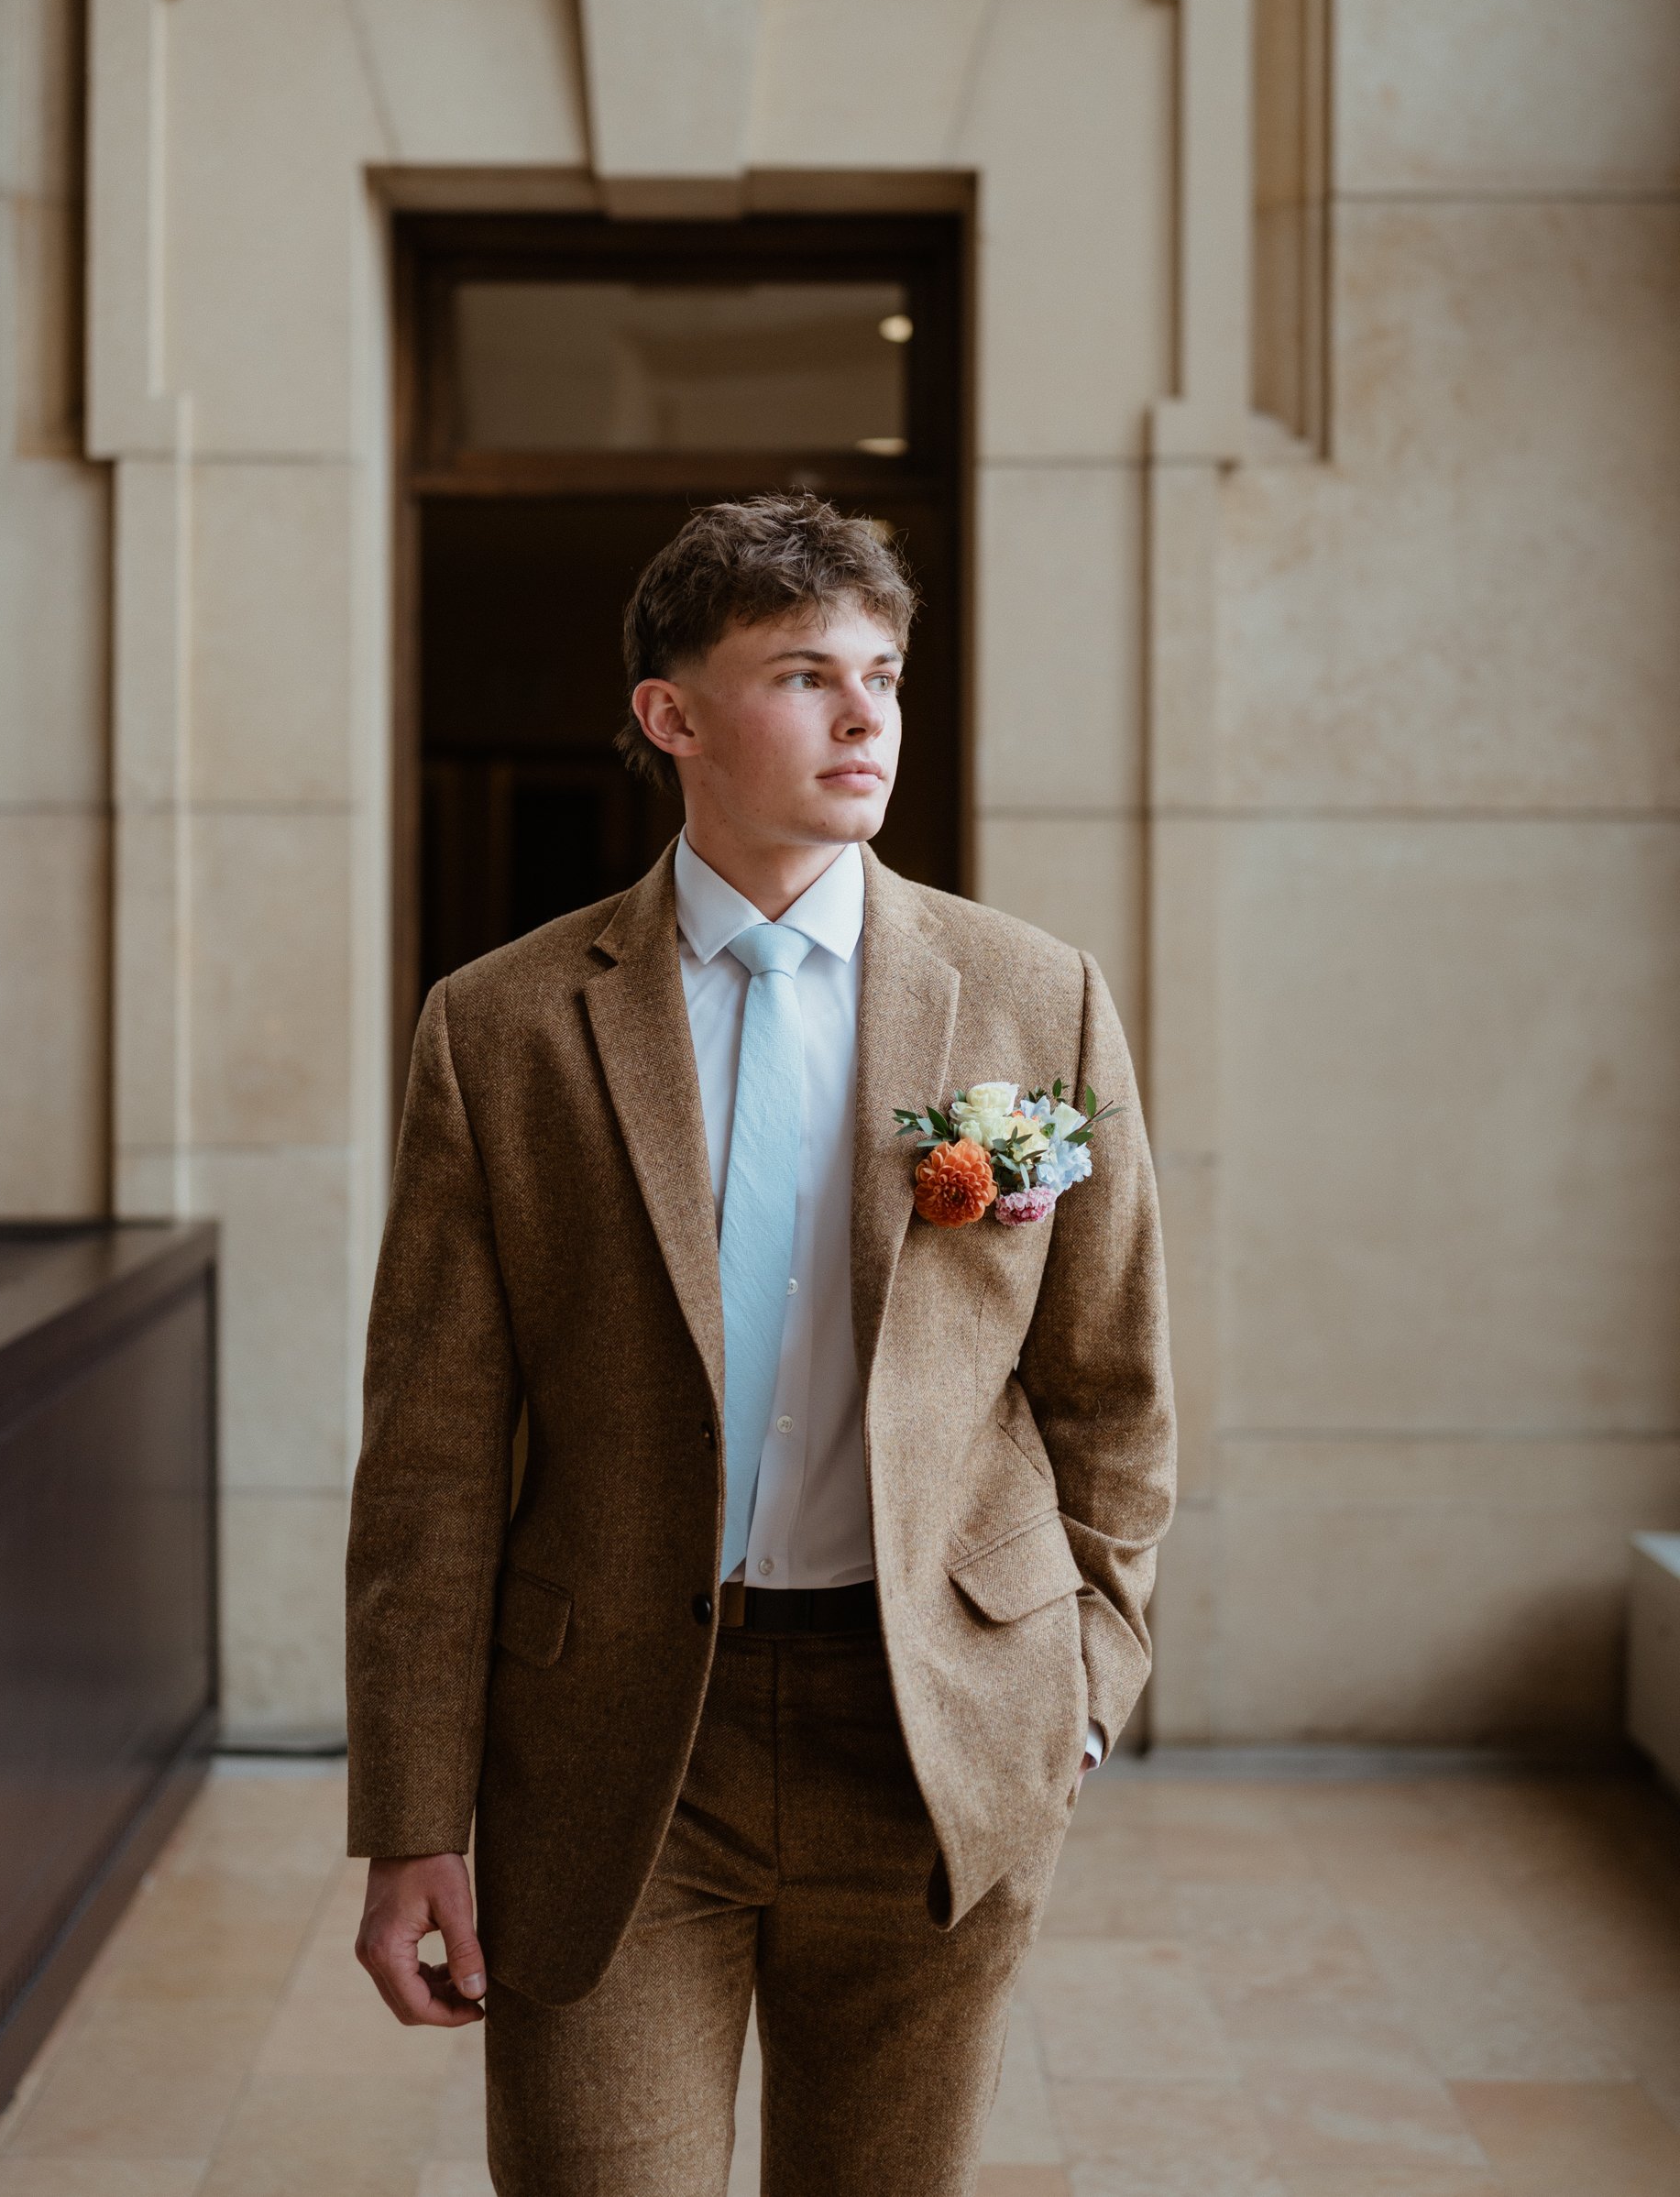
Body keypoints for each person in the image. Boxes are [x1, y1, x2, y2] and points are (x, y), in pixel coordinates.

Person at [346, 494, 1176, 2195]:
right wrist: (413, 1814)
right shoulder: (502, 1026)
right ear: (671, 715)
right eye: (804, 675)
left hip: (936, 1722)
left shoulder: (1034, 998)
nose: (865, 715)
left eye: (882, 672)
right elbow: (430, 1454)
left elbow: (1108, 1380)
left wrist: (1085, 1683)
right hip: (616, 1746)